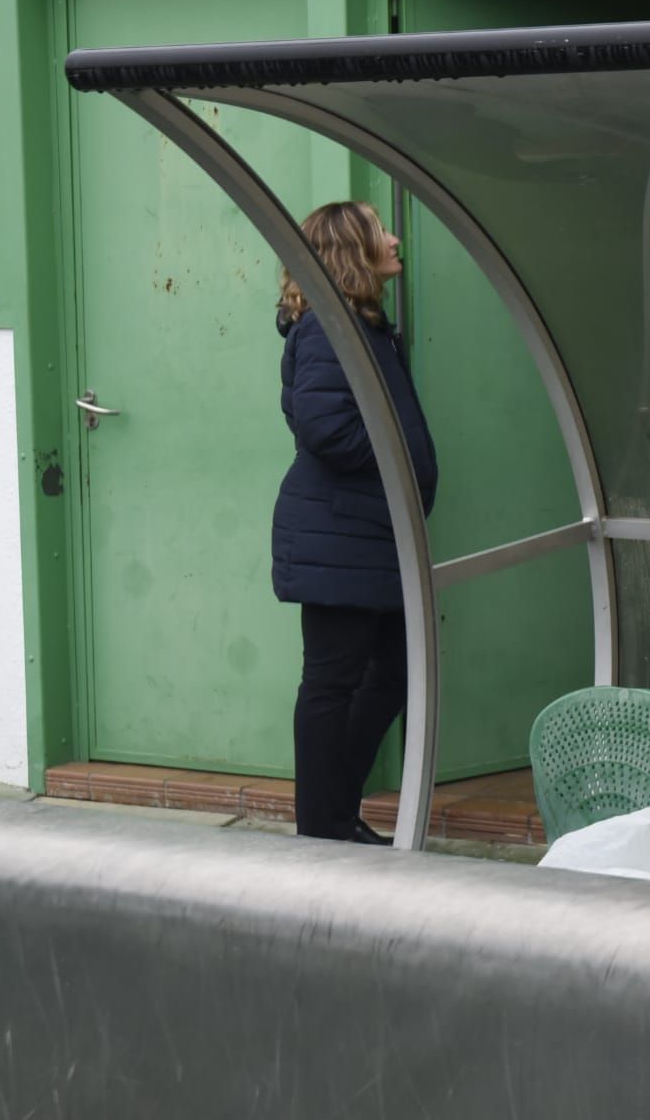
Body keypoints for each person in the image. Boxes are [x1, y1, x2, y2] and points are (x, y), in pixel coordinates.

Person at [270, 200, 438, 844]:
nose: (395, 240)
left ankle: (334, 813)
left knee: (394, 671)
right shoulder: (326, 329)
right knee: (333, 681)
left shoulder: (361, 326)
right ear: (351, 250)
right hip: (338, 533)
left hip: (366, 533)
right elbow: (325, 428)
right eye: (380, 232)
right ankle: (323, 827)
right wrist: (399, 459)